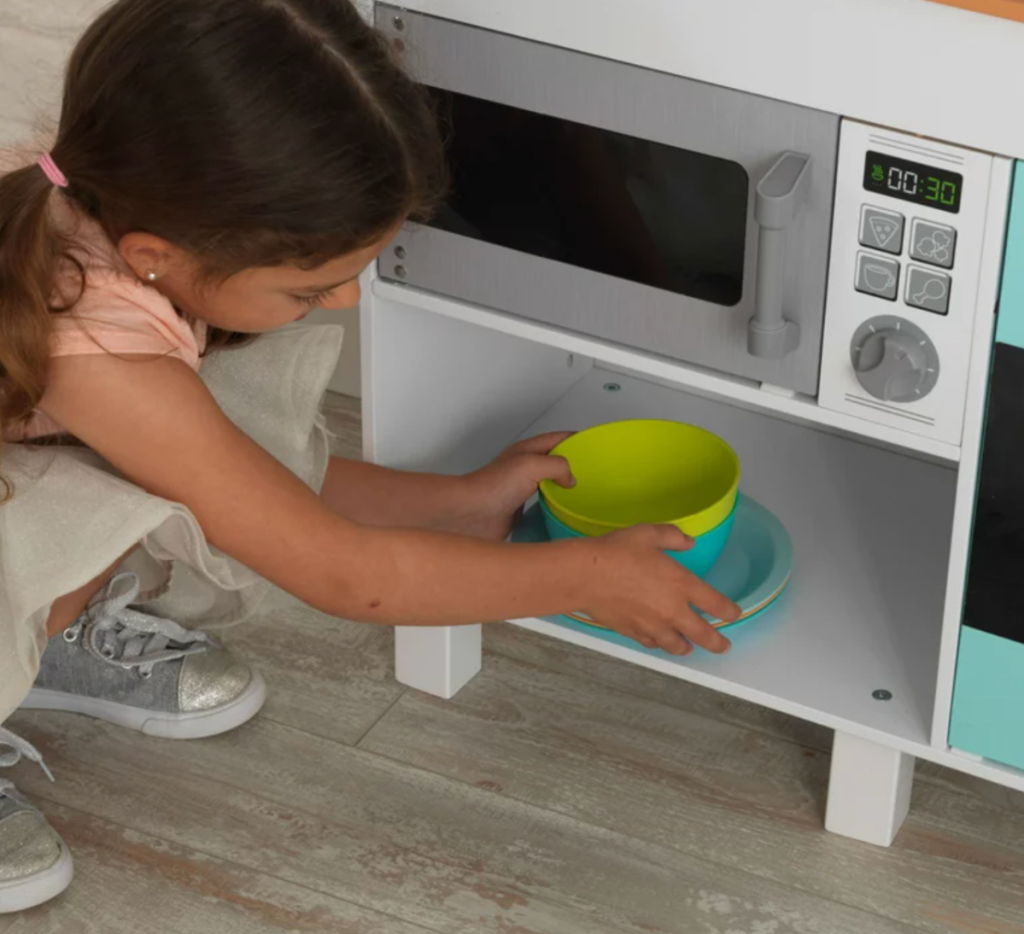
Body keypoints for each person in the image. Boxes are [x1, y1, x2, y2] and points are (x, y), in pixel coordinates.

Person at [0, 0, 739, 913]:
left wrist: (456, 501)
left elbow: (241, 478)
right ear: (157, 254)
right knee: (76, 508)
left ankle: (46, 637)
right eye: (312, 286)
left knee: (173, 448)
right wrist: (583, 577)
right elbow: (347, 578)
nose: (346, 303)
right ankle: (25, 637)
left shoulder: (103, 216)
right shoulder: (96, 347)